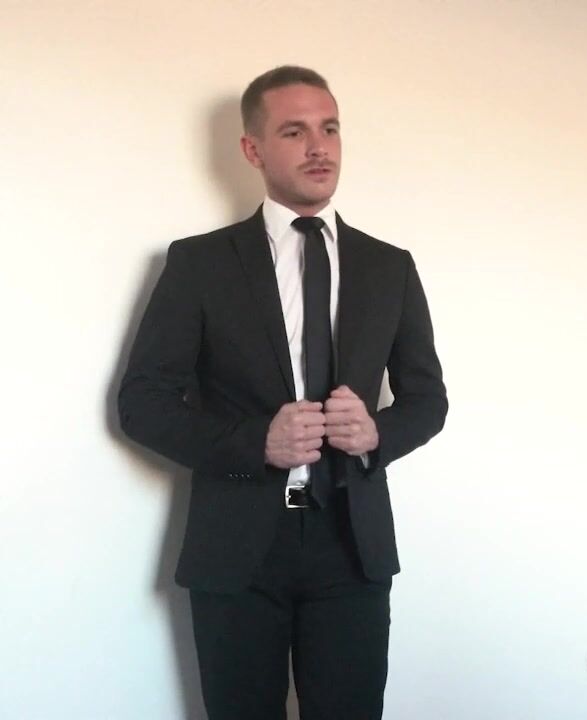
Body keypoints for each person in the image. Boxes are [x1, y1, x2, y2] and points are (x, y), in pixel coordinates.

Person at [118, 65, 447, 719]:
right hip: (237, 548)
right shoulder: (199, 264)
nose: (319, 147)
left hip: (352, 546)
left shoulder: (390, 266)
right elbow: (142, 403)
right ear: (253, 149)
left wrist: (377, 432)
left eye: (330, 129)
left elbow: (427, 399)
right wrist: (254, 443)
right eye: (294, 132)